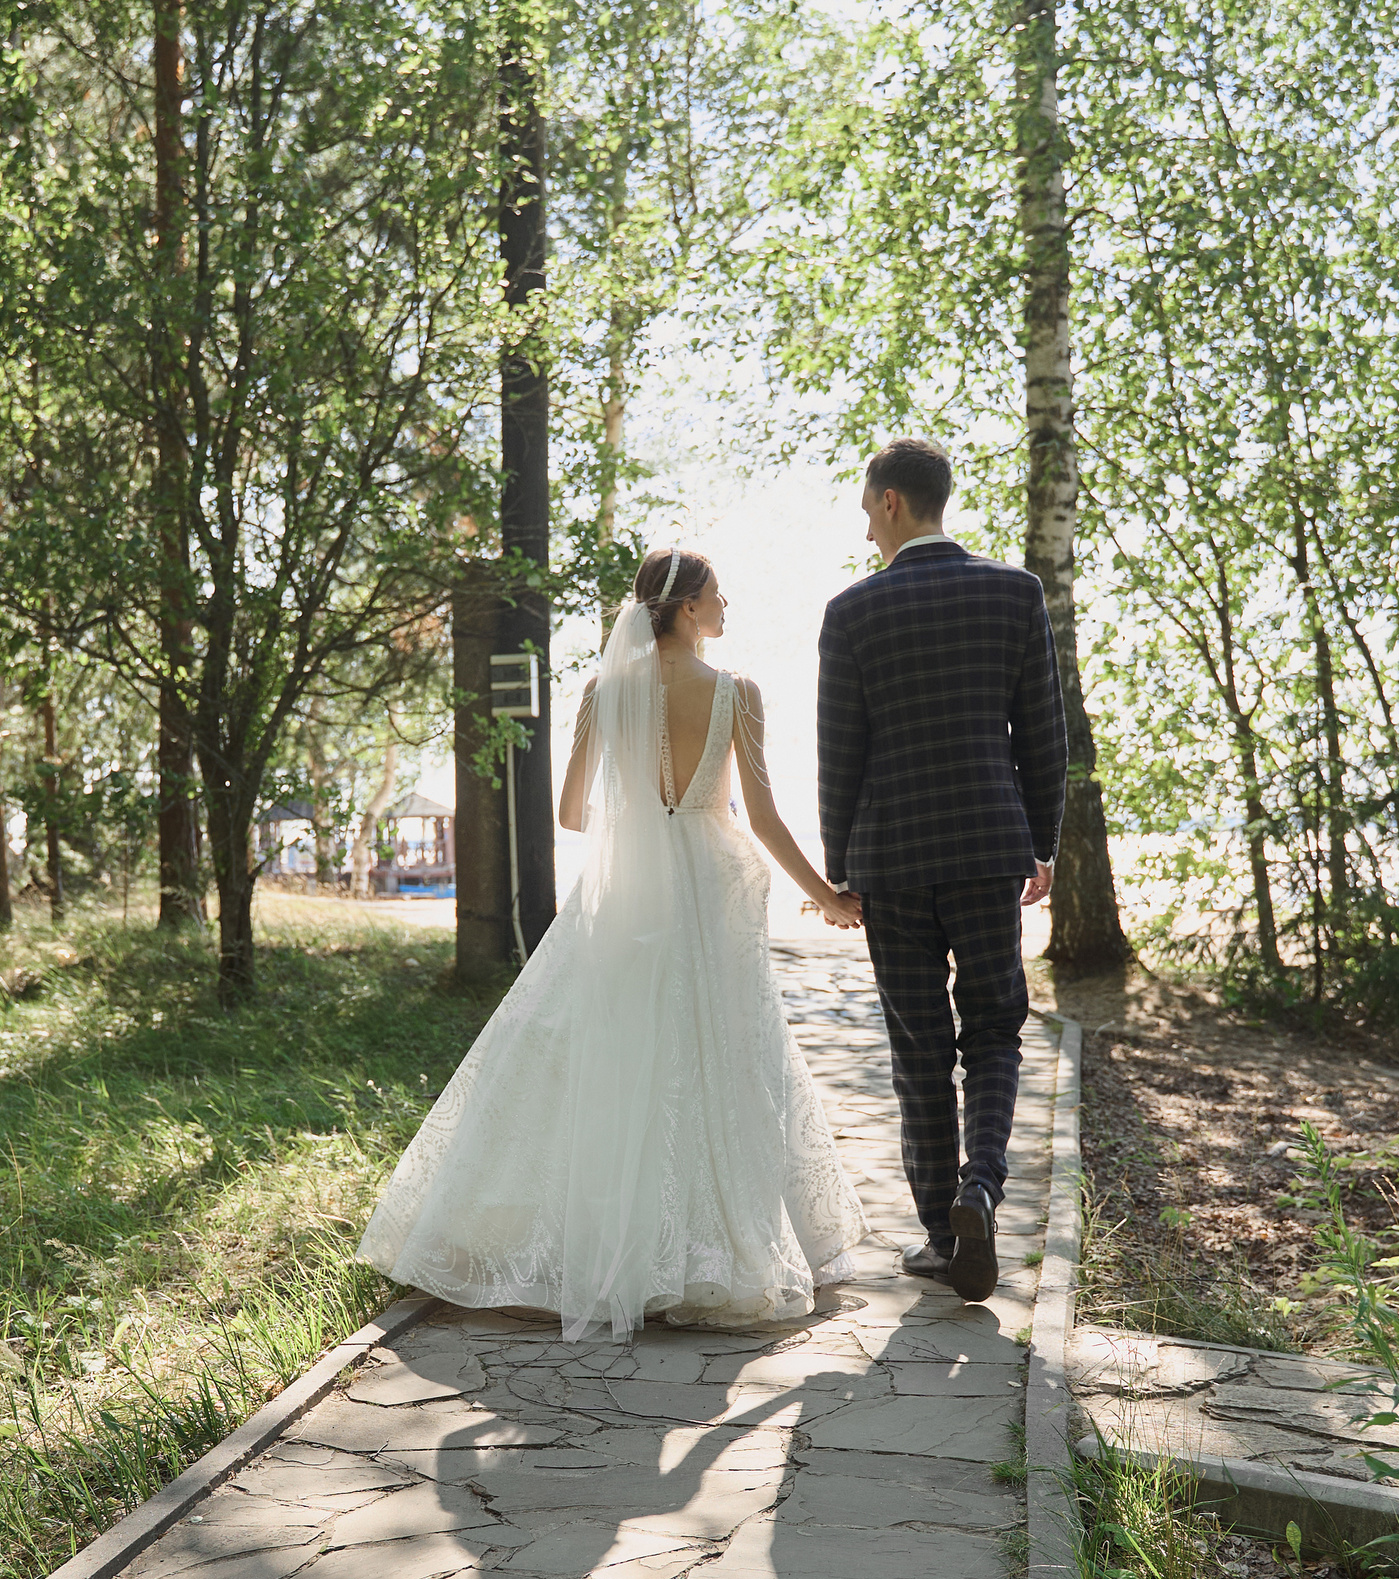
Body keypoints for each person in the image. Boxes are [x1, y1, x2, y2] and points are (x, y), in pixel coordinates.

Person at [360, 547, 869, 1341]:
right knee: (719, 1054)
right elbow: (762, 820)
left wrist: (638, 830)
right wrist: (828, 896)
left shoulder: (602, 691)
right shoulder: (739, 695)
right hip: (710, 885)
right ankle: (709, 1250)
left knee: (621, 1055)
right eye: (717, 592)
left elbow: (570, 812)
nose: (727, 601)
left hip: (630, 893)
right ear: (690, 608)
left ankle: (611, 1249)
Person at [816, 437, 1067, 1305]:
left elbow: (838, 757)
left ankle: (938, 1234)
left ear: (890, 502)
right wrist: (1044, 844)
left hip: (890, 860)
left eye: (865, 508)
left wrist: (838, 871)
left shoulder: (852, 612)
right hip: (988, 850)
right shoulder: (1014, 592)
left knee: (919, 1046)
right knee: (995, 1027)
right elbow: (1044, 735)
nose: (866, 526)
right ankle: (981, 1188)